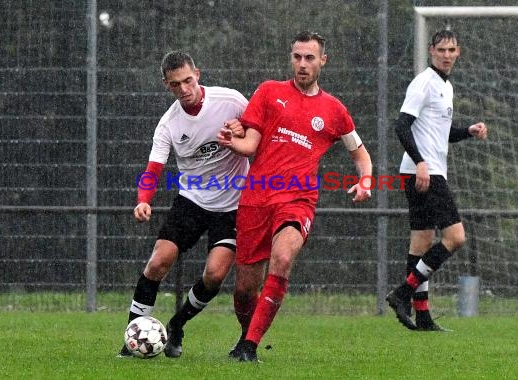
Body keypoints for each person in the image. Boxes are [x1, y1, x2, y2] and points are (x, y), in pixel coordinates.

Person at [217, 31, 373, 362]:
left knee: (284, 259)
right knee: (245, 289)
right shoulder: (269, 91)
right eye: (297, 57)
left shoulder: (334, 110)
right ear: (291, 58)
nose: (302, 64)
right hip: (256, 198)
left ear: (323, 61)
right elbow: (251, 144)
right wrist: (233, 141)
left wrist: (366, 180)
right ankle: (247, 338)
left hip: (298, 199)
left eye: (310, 58)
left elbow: (359, 153)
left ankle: (250, 346)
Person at [118, 51, 249, 358]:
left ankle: (177, 324)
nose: (185, 89)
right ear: (167, 85)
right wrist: (143, 201)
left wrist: (244, 129)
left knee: (215, 275)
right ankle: (131, 339)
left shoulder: (231, 101)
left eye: (188, 80)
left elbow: (260, 128)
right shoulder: (169, 124)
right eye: (176, 84)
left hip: (232, 205)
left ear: (198, 74)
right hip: (191, 200)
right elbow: (153, 169)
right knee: (158, 262)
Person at [386, 29, 487, 331]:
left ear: (458, 52)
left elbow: (441, 134)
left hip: (424, 171)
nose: (446, 55)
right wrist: (420, 164)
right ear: (431, 51)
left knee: (421, 243)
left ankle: (423, 316)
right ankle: (402, 293)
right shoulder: (424, 83)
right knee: (455, 238)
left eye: (451, 49)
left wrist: (467, 131)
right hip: (425, 173)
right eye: (441, 49)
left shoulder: (446, 86)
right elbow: (401, 126)